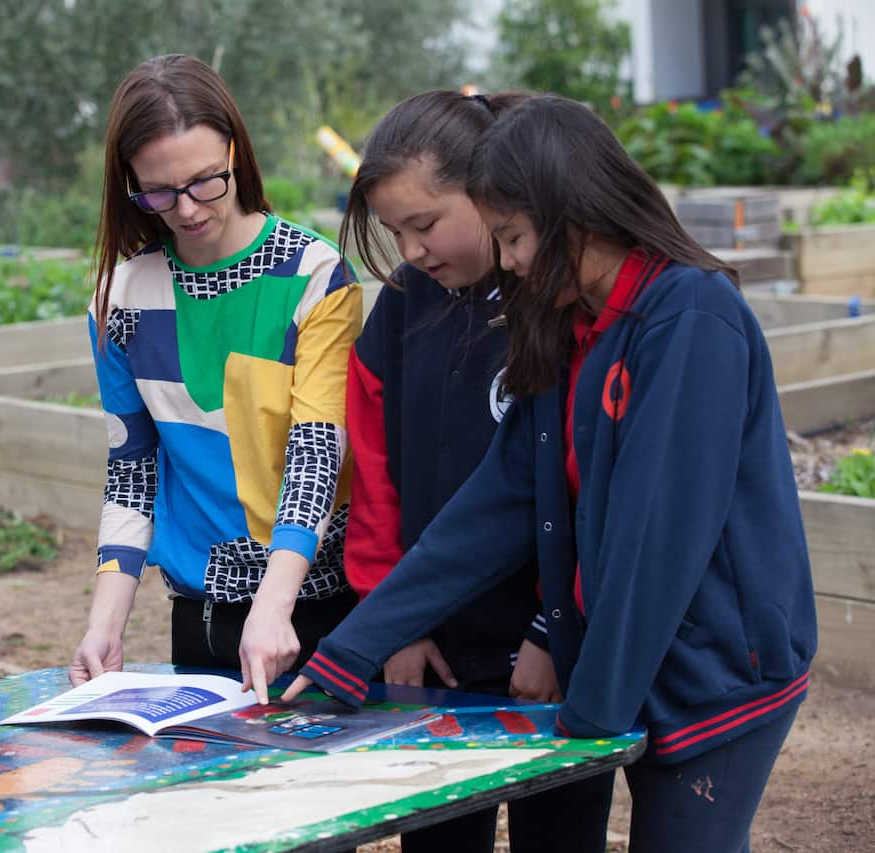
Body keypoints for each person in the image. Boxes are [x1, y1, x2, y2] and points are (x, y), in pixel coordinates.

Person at [285, 94, 816, 853]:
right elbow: (494, 504)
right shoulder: (575, 325)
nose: (509, 263)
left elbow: (654, 542)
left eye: (515, 237)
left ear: (575, 212)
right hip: (642, 667)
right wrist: (352, 647)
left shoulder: (690, 320)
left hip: (715, 678)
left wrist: (589, 720)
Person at [341, 90, 612, 853]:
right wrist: (397, 615)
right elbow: (375, 476)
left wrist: (552, 630)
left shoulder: (558, 301)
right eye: (397, 232)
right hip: (434, 652)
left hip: (549, 649)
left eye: (425, 224)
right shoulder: (400, 306)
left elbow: (594, 491)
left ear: (491, 191)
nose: (414, 250)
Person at [69, 54, 361, 703]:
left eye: (206, 181)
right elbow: (132, 467)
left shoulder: (315, 275)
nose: (187, 209)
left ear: (236, 151)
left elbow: (316, 452)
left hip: (312, 610)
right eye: (160, 192)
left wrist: (274, 603)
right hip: (199, 616)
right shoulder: (121, 298)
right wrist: (104, 625)